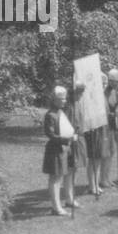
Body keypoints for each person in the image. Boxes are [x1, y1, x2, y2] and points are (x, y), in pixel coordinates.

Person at [42, 85, 77, 216]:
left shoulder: (61, 112)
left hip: (64, 149)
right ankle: (56, 207)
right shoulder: (50, 115)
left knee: (63, 175)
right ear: (55, 100)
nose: (64, 101)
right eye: (61, 99)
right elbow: (50, 134)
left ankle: (66, 201)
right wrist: (66, 140)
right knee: (55, 178)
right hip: (55, 149)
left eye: (64, 98)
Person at [68, 80, 106, 197]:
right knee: (87, 160)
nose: (104, 85)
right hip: (86, 131)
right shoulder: (79, 103)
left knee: (99, 157)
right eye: (102, 83)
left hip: (99, 128)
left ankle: (97, 183)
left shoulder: (101, 98)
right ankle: (91, 186)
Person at [104, 68, 118, 185]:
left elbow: (116, 107)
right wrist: (113, 113)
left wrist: (117, 111)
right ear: (111, 81)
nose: (117, 83)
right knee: (106, 153)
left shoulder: (116, 92)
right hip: (106, 126)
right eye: (116, 81)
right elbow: (104, 110)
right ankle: (103, 179)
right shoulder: (105, 92)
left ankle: (107, 177)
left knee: (111, 152)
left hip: (113, 125)